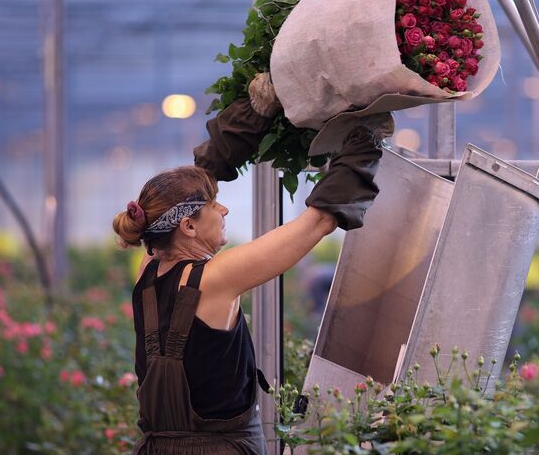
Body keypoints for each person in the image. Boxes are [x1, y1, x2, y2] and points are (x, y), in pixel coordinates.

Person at [112, 74, 386, 454]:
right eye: (213, 206)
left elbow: (189, 190)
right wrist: (364, 142)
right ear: (188, 226)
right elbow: (319, 221)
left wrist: (254, 115)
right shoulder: (214, 278)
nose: (223, 208)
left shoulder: (148, 273)